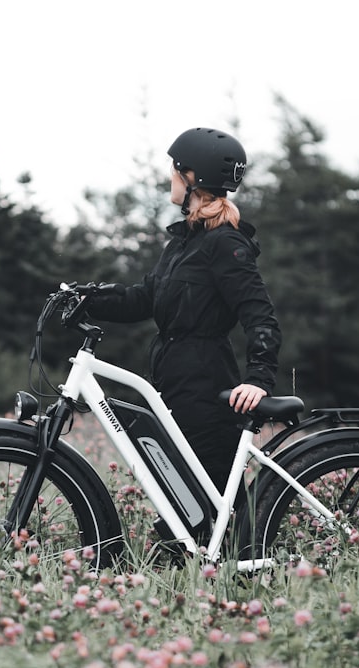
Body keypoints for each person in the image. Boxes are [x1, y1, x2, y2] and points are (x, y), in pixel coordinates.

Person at [87, 127, 281, 493]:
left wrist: (259, 379)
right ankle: (190, 548)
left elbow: (260, 314)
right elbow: (144, 298)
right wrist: (90, 298)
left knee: (210, 486)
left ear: (194, 179)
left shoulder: (225, 242)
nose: (170, 177)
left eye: (176, 170)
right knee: (179, 484)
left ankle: (233, 549)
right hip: (171, 375)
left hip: (204, 379)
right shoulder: (183, 242)